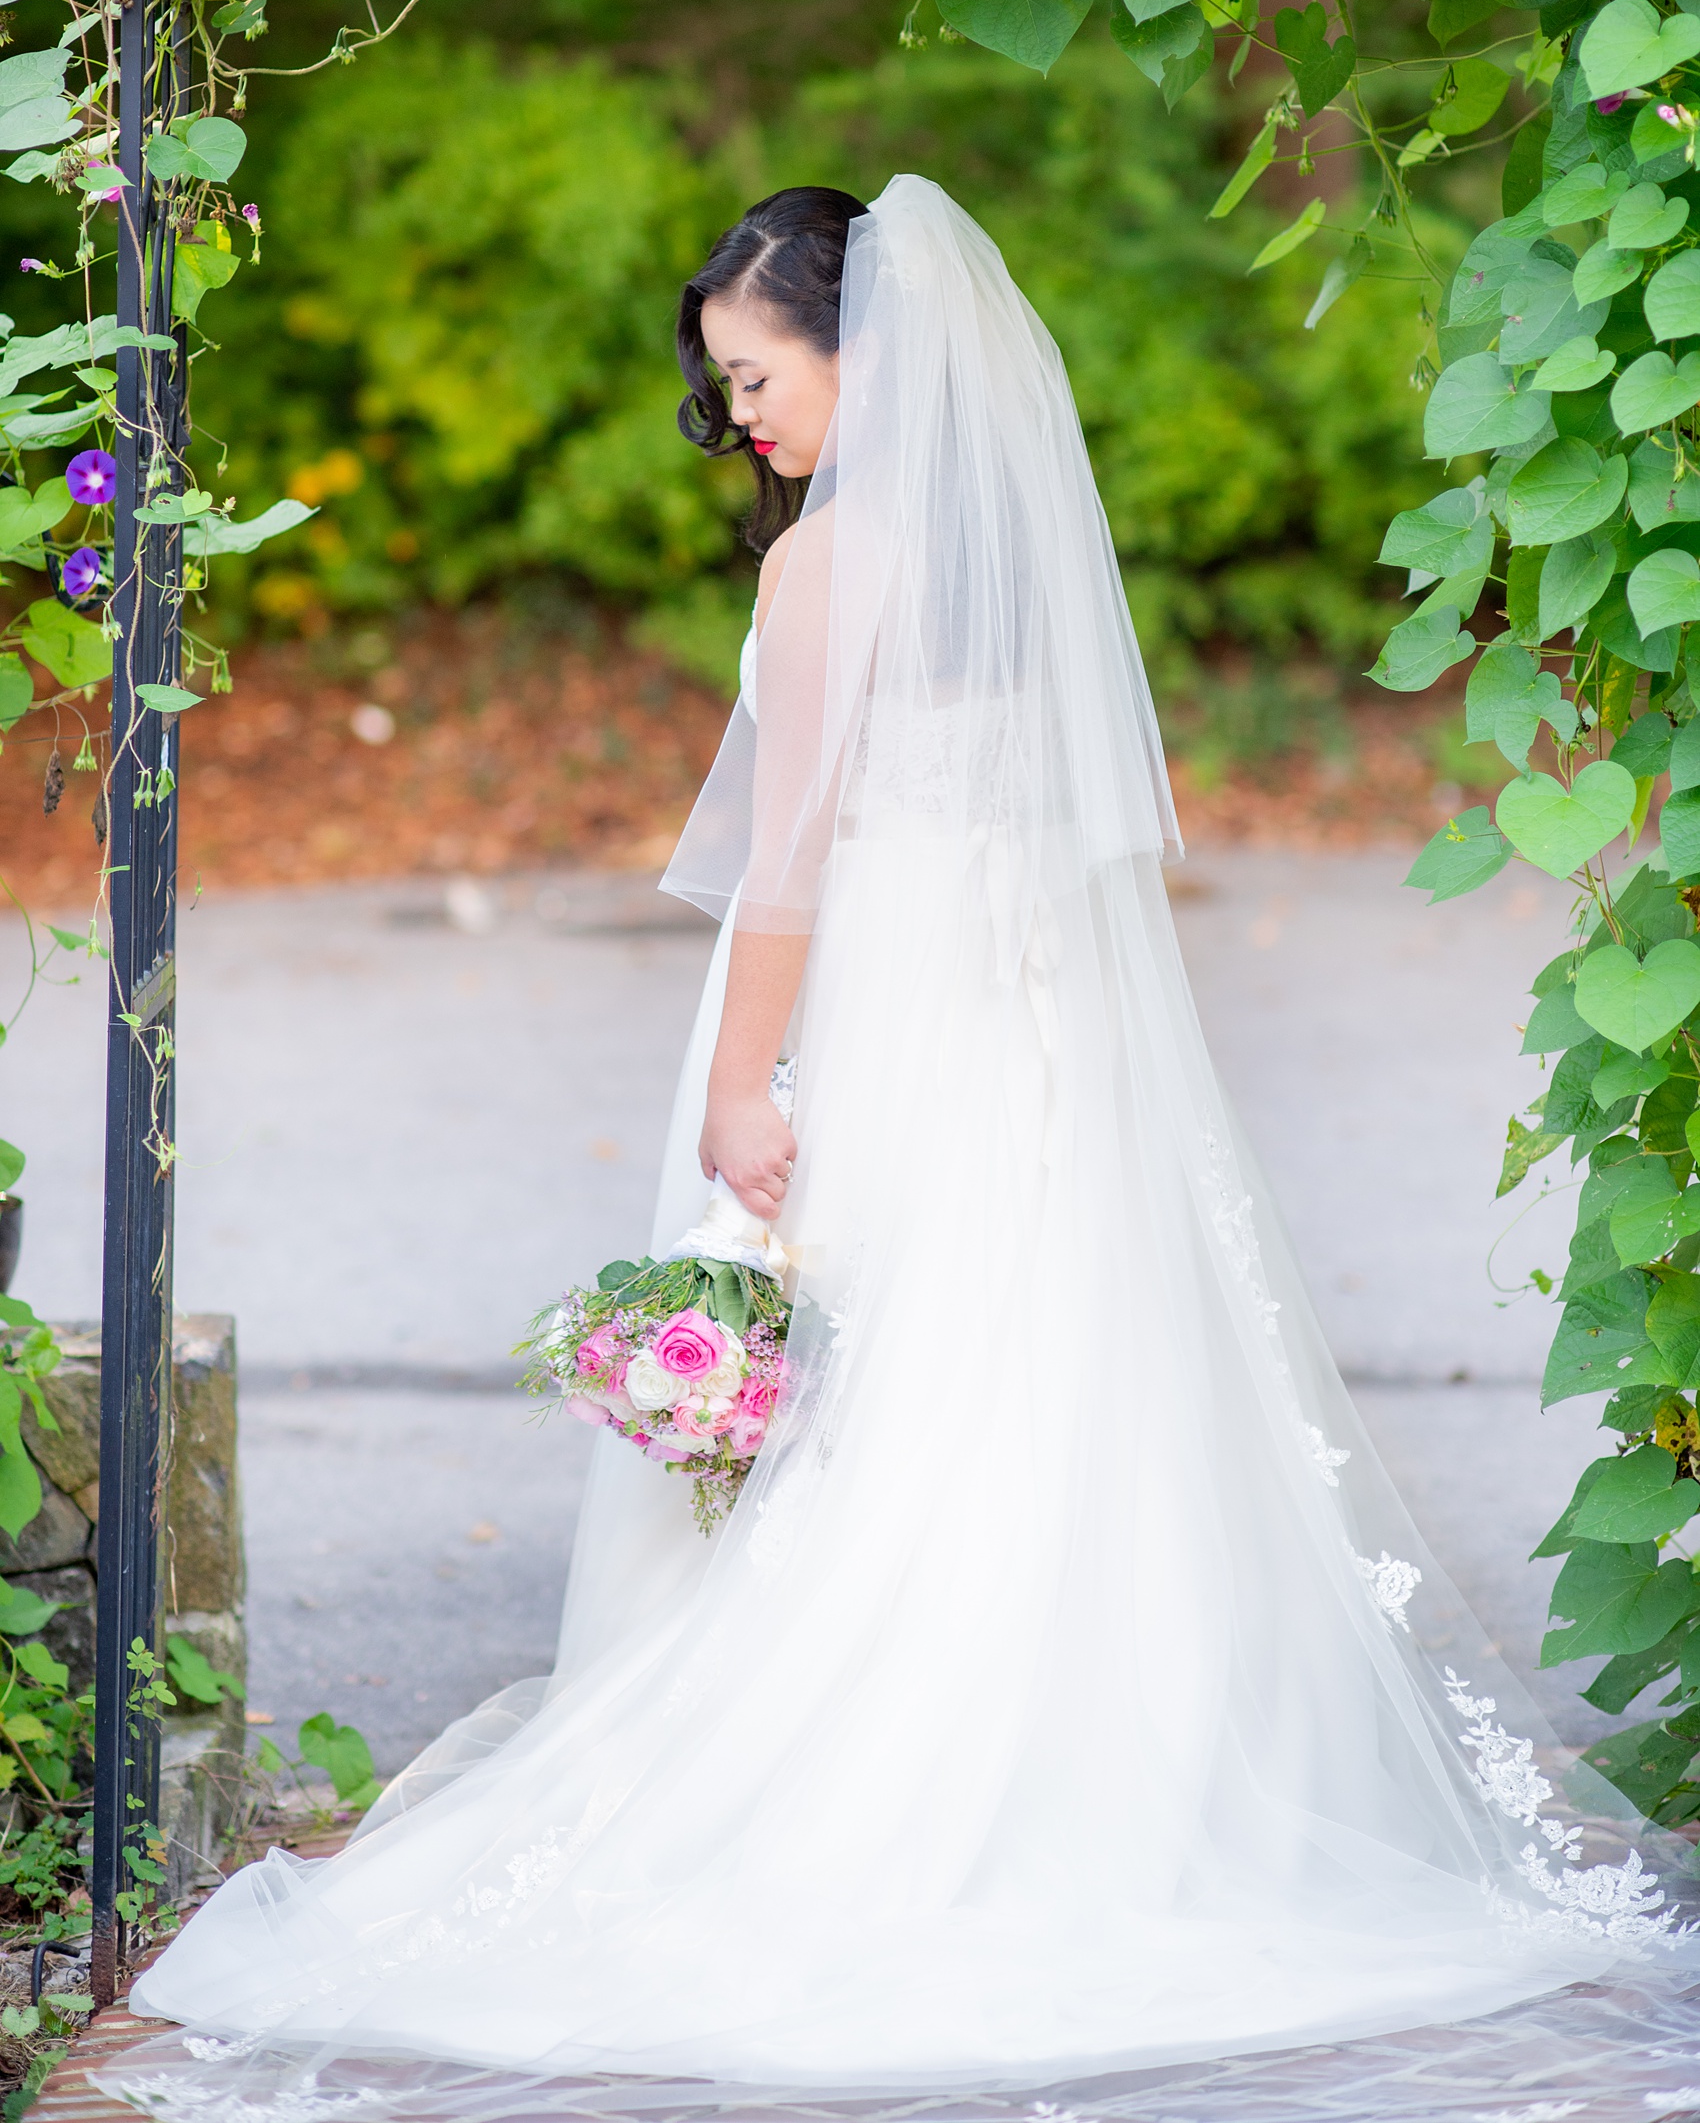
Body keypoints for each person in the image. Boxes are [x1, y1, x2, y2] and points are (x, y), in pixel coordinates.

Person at [101, 179, 1700, 2123]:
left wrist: (744, 1082)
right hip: (1016, 1030)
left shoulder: (834, 561)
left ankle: (880, 1792)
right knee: (1027, 1387)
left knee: (871, 1402)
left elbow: (793, 857)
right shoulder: (999, 552)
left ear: (862, 347)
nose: (742, 417)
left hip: (876, 1015)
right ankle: (1089, 1776)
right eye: (727, 387)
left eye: (757, 375)